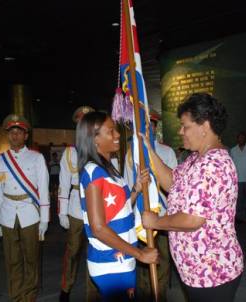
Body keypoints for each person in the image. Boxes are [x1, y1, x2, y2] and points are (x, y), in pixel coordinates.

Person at [142, 93, 243, 302]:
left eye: (185, 126)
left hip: (213, 273)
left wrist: (156, 222)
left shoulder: (214, 165)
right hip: (197, 271)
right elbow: (171, 181)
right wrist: (149, 150)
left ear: (204, 127)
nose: (180, 131)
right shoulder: (196, 159)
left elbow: (191, 219)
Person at [77, 111, 158, 301]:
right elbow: (98, 228)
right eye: (111, 131)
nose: (118, 135)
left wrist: (136, 189)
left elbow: (117, 210)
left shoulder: (107, 168)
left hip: (121, 258)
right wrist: (140, 254)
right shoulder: (93, 172)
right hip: (111, 261)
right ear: (94, 139)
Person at [0, 114, 50, 302]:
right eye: (11, 132)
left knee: (32, 258)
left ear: (26, 135)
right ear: (7, 135)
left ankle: (29, 295)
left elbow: (43, 188)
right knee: (12, 259)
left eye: (19, 132)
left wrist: (44, 219)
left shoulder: (37, 158)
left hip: (30, 214)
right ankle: (16, 296)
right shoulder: (0, 160)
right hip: (8, 213)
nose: (15, 136)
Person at [123, 109, 177, 301]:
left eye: (150, 125)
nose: (147, 129)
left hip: (161, 216)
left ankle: (159, 297)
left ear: (155, 127)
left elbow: (174, 187)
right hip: (139, 218)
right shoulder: (130, 155)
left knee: (161, 261)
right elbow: (127, 186)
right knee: (141, 262)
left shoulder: (166, 151)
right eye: (143, 126)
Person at [58, 105, 100, 302]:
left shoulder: (101, 150)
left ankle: (93, 293)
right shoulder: (69, 153)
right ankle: (66, 289)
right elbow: (63, 185)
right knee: (72, 252)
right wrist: (62, 213)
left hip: (97, 209)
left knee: (96, 251)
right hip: (76, 208)